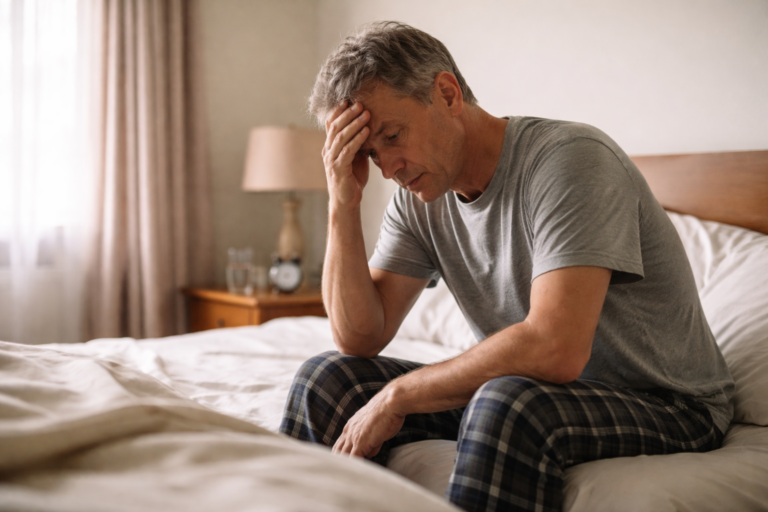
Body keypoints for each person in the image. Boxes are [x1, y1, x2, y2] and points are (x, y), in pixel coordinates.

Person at [279, 21, 733, 512]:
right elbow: (359, 337)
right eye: (370, 152)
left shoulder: (571, 161)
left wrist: (398, 397)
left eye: (392, 135)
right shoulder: (419, 197)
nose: (389, 168)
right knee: (327, 381)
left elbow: (554, 348)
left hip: (668, 403)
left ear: (447, 93)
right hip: (539, 391)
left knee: (506, 404)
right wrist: (342, 202)